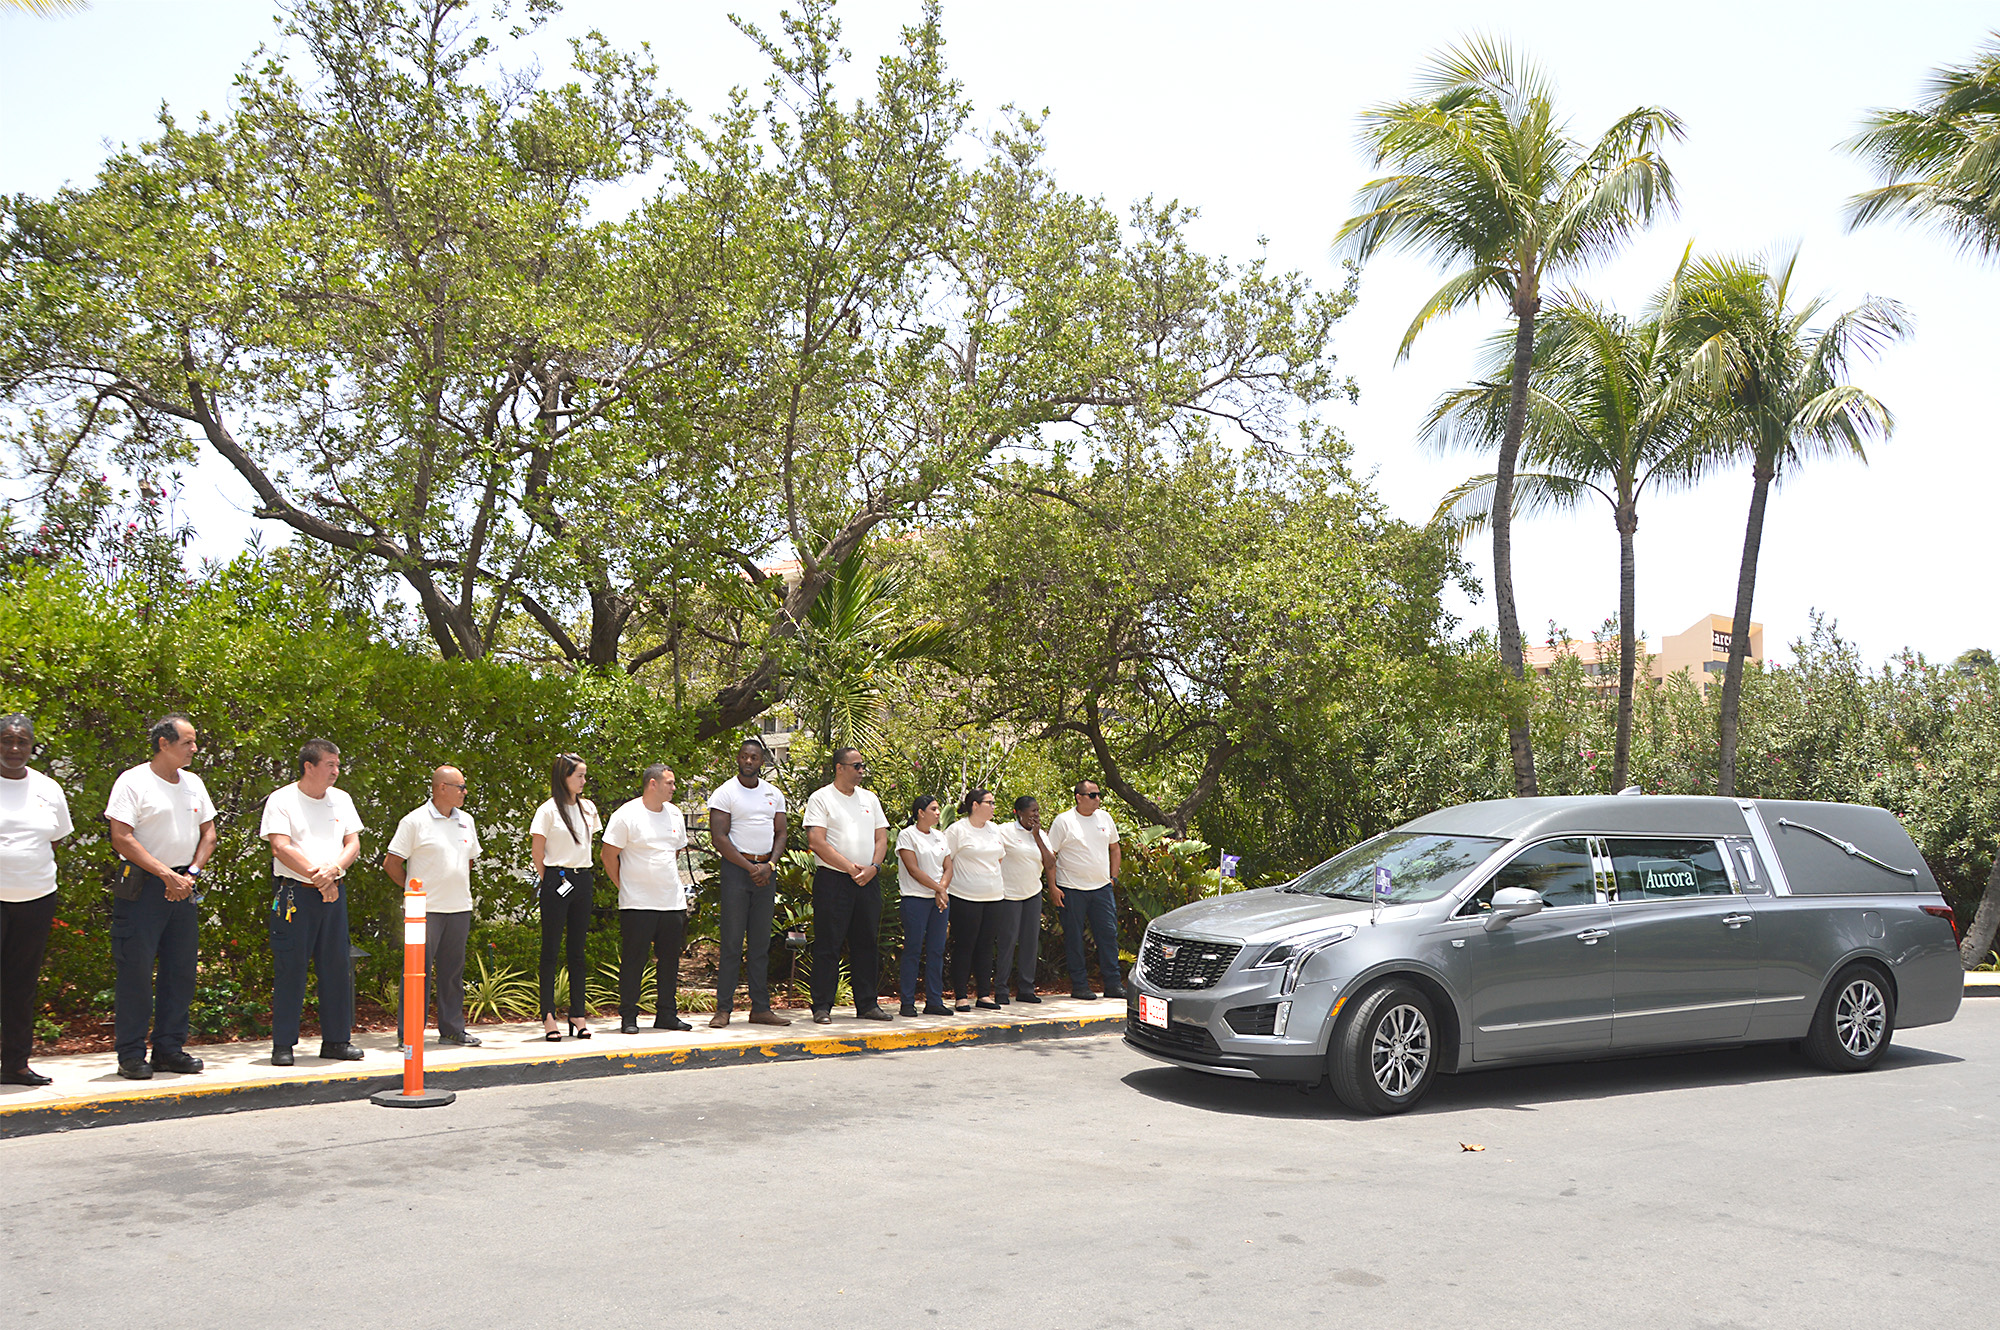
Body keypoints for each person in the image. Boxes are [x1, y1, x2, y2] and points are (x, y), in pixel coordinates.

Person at [102, 714, 217, 1080]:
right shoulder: (133, 782)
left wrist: (190, 874)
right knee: (135, 971)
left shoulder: (194, 783)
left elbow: (209, 834)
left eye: (194, 741)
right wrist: (165, 875)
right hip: (143, 888)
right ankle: (132, 1054)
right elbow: (121, 837)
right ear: (163, 744)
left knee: (180, 971)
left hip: (184, 885)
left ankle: (169, 1049)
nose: (194, 749)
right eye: (187, 742)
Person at [261, 739, 366, 1066]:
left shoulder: (342, 800)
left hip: (334, 891)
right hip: (296, 893)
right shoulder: (282, 800)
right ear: (309, 766)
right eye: (329, 765)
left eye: (337, 765)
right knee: (291, 968)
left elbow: (353, 843)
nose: (336, 771)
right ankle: (283, 1045)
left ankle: (336, 1041)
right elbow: (280, 846)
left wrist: (334, 872)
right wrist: (318, 877)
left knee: (336, 967)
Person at [384, 766, 482, 1050]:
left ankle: (452, 1030)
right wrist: (415, 894)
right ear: (441, 788)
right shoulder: (414, 821)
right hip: (423, 912)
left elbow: (469, 860)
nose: (465, 792)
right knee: (417, 972)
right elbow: (392, 863)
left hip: (459, 908)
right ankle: (410, 1034)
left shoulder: (467, 821)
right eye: (460, 787)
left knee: (453, 973)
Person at [0, 714, 71, 1088]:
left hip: (36, 897)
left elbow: (54, 838)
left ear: (31, 746)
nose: (14, 749)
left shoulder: (47, 788)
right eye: (6, 741)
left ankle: (15, 1064)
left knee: (21, 985)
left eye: (21, 742)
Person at [602, 764, 695, 1036]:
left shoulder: (675, 814)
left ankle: (667, 1014)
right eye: (669, 783)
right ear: (652, 784)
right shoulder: (627, 815)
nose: (674, 788)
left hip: (672, 902)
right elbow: (608, 856)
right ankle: (629, 1017)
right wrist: (625, 886)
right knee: (634, 961)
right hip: (637, 904)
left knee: (669, 962)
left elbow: (674, 853)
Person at [801, 747, 891, 1024]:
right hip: (834, 880)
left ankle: (867, 1004)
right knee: (828, 943)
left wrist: (873, 867)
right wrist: (850, 867)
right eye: (857, 766)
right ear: (840, 768)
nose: (862, 771)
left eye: (863, 765)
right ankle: (822, 1006)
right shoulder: (822, 798)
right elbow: (816, 842)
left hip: (867, 880)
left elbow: (881, 838)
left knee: (866, 943)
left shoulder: (870, 799)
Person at [705, 740, 790, 1028]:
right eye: (744, 756)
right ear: (738, 759)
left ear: (762, 761)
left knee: (760, 944)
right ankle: (723, 1009)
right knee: (731, 943)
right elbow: (719, 837)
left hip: (766, 872)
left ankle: (761, 1008)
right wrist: (750, 867)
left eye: (754, 757)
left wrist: (770, 865)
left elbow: (781, 833)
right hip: (736, 872)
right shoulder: (725, 792)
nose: (749, 761)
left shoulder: (773, 794)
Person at [531, 752, 600, 1040]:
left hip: (583, 878)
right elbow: (538, 852)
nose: (584, 781)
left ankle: (577, 1013)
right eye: (579, 776)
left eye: (585, 775)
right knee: (550, 949)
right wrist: (551, 881)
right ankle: (548, 1015)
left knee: (578, 951)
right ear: (564, 777)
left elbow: (588, 845)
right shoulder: (547, 810)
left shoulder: (588, 808)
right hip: (556, 878)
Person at [1046, 779, 1126, 1000]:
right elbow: (1050, 856)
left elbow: (1115, 848)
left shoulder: (1105, 818)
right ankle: (1080, 986)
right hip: (1071, 889)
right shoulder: (1064, 821)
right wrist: (1052, 887)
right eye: (1092, 795)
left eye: (1099, 795)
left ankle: (1113, 984)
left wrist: (1114, 878)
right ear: (1078, 797)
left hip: (1101, 889)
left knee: (1108, 937)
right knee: (1074, 938)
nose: (1097, 799)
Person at [944, 789, 1007, 1010]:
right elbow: (945, 860)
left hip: (994, 897)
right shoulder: (957, 830)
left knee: (986, 946)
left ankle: (984, 995)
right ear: (974, 805)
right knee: (965, 945)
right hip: (964, 897)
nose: (993, 806)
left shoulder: (994, 830)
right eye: (989, 802)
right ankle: (961, 995)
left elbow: (998, 859)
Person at [995, 795, 1057, 1005]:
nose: (1036, 815)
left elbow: (1050, 862)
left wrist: (1037, 836)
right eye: (1032, 811)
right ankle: (1001, 989)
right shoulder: (1004, 831)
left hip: (1032, 894)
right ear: (1018, 812)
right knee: (1007, 943)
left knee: (1030, 942)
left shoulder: (1040, 835)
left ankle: (1026, 988)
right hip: (1009, 895)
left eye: (1038, 811)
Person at [894, 796, 952, 1017]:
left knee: (937, 950)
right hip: (916, 899)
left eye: (938, 809)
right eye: (933, 809)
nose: (938, 813)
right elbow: (913, 869)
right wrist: (939, 889)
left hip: (939, 900)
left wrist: (941, 890)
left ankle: (934, 1000)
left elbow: (948, 866)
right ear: (920, 812)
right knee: (913, 950)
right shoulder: (907, 835)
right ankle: (907, 1002)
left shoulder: (940, 836)